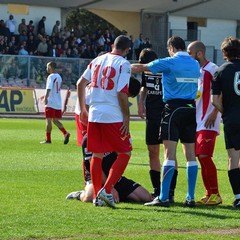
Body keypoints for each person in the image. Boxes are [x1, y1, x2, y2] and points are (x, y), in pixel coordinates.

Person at [132, 36, 200, 208]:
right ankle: (190, 197)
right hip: (191, 109)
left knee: (169, 154)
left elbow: (142, 67)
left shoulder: (170, 62)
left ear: (171, 48)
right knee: (190, 156)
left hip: (173, 109)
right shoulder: (194, 64)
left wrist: (120, 66)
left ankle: (163, 197)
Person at [77, 35, 132, 208]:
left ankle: (96, 198)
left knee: (97, 154)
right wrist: (127, 116)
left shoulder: (97, 59)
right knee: (125, 152)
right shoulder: (123, 63)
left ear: (113, 45)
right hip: (112, 115)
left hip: (94, 113)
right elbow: (122, 93)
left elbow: (80, 83)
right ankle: (106, 191)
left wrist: (83, 108)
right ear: (127, 50)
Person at [137, 48, 178, 201]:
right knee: (152, 151)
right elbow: (144, 86)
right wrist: (141, 102)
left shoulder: (165, 68)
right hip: (152, 115)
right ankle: (157, 190)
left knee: (170, 152)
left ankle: (171, 191)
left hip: (167, 113)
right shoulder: (145, 70)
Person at [66, 133, 152, 205]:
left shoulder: (115, 133)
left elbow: (122, 158)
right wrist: (110, 188)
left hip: (113, 177)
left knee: (145, 197)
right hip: (95, 178)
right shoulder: (89, 138)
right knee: (89, 197)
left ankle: (113, 196)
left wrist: (112, 184)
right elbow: (95, 167)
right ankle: (79, 194)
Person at [187, 41, 222, 206]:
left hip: (209, 120)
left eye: (190, 53)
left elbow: (222, 92)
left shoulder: (212, 69)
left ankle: (216, 194)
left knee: (204, 156)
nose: (188, 56)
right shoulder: (197, 71)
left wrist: (215, 112)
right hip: (197, 121)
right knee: (201, 158)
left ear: (199, 53)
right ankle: (209, 193)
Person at [212, 36, 240, 208]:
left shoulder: (220, 71)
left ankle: (238, 197)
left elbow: (215, 100)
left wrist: (226, 113)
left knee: (233, 159)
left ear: (224, 52)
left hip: (231, 119)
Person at [40, 61, 70, 144]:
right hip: (57, 102)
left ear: (50, 67)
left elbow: (49, 88)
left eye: (47, 67)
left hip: (51, 102)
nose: (46, 68)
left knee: (48, 121)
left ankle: (48, 139)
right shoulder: (59, 76)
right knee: (55, 120)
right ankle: (65, 133)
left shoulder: (51, 76)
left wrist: (46, 98)